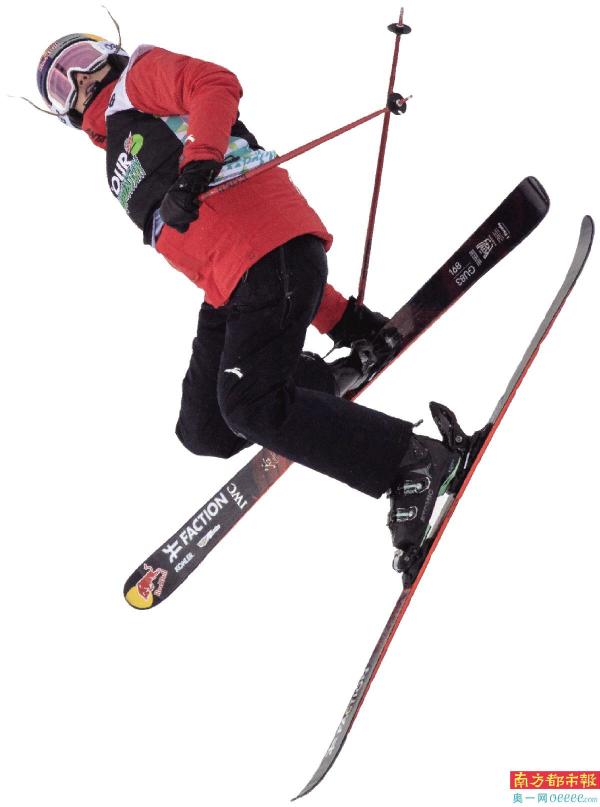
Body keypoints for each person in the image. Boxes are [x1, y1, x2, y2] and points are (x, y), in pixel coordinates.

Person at [33, 31, 460, 576]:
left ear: (107, 52)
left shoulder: (136, 83)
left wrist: (197, 166)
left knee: (250, 405)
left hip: (267, 247)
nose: (79, 80)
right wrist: (340, 319)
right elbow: (207, 250)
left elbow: (214, 83)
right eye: (59, 85)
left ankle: (412, 461)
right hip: (235, 282)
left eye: (81, 59)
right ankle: (325, 379)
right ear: (63, 112)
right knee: (206, 428)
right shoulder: (116, 164)